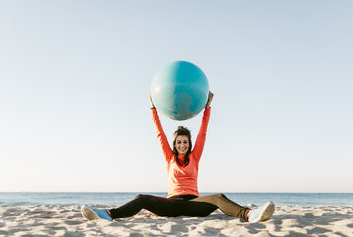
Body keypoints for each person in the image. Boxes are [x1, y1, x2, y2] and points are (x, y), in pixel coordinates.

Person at [81, 92, 275, 223]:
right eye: (179, 142)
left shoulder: (195, 156)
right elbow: (159, 134)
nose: (182, 145)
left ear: (189, 144)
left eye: (185, 142)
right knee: (141, 198)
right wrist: (153, 109)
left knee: (218, 197)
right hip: (171, 204)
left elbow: (202, 133)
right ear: (174, 145)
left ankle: (250, 214)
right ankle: (107, 215)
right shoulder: (169, 157)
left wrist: (207, 107)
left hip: (193, 204)